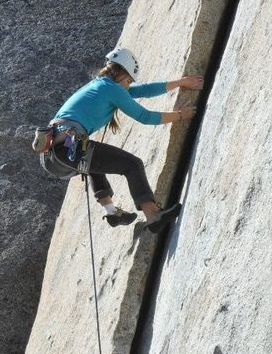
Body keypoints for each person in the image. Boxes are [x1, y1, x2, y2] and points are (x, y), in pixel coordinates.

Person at [37, 47, 203, 233]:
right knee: (132, 165)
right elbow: (145, 117)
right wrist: (181, 115)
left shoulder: (100, 85)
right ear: (122, 74)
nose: (128, 85)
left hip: (54, 158)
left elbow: (144, 90)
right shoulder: (110, 88)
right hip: (68, 149)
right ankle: (153, 214)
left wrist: (180, 82)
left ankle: (112, 211)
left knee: (92, 161)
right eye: (129, 80)